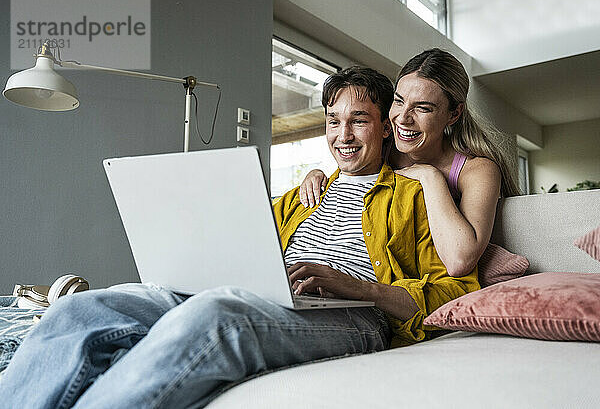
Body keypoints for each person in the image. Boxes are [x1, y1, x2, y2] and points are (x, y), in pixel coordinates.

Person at [0, 66, 479, 408]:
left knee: (219, 316)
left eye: (359, 120)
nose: (343, 135)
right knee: (86, 307)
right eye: (333, 121)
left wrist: (360, 288)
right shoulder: (302, 193)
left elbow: (455, 293)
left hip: (353, 313)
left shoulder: (414, 194)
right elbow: (237, 240)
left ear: (386, 129)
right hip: (262, 292)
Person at [299, 48, 519, 278]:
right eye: (399, 101)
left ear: (453, 114)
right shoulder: (384, 147)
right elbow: (348, 173)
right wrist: (316, 174)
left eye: (423, 108)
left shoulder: (477, 170)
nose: (403, 119)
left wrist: (429, 176)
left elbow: (459, 261)